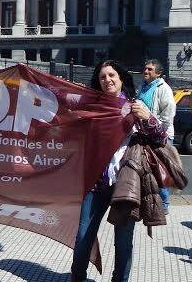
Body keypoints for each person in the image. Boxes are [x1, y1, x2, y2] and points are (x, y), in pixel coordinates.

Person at [70, 60, 168, 282]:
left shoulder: (134, 107)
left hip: (126, 185)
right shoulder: (93, 109)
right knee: (84, 234)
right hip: (96, 183)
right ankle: (77, 278)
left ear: (122, 79)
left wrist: (148, 118)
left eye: (112, 75)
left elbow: (161, 138)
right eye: (103, 77)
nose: (107, 80)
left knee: (123, 240)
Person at [137, 59, 176, 214]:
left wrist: (158, 131)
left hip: (160, 136)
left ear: (158, 73)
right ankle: (150, 202)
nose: (145, 71)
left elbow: (168, 114)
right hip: (144, 135)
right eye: (145, 69)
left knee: (161, 171)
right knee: (147, 170)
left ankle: (164, 204)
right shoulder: (143, 86)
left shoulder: (163, 88)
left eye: (150, 69)